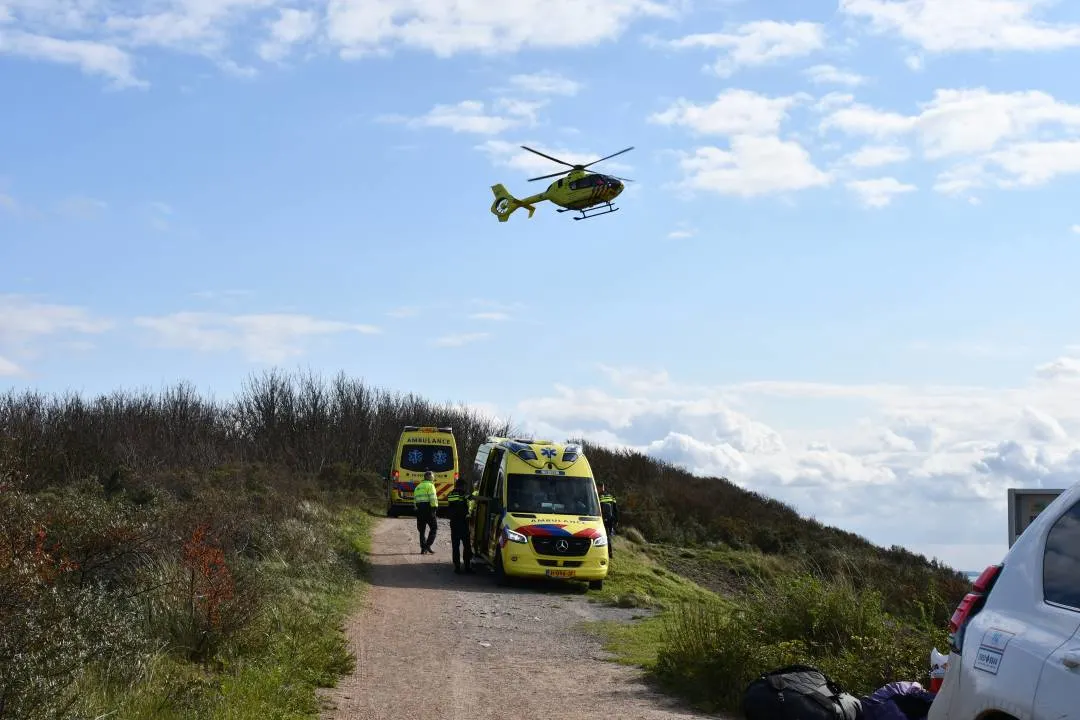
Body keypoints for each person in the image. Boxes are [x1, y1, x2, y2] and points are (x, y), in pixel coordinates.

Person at [446, 478, 473, 573]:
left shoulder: (451, 494)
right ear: (462, 486)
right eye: (465, 486)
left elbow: (453, 506)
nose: (466, 488)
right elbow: (471, 498)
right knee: (466, 545)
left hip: (454, 523)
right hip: (462, 522)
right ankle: (467, 566)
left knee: (455, 545)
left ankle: (457, 567)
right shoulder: (462, 494)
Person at [413, 470, 439, 554]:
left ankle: (423, 548)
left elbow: (415, 501)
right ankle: (428, 545)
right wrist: (434, 508)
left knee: (422, 531)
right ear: (430, 477)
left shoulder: (418, 487)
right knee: (434, 528)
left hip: (419, 510)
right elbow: (433, 498)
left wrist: (417, 510)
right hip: (428, 509)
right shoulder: (430, 486)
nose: (433, 478)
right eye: (433, 477)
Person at [598, 482, 619, 556]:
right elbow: (615, 509)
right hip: (611, 519)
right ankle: (608, 552)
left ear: (599, 488)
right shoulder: (611, 496)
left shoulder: (598, 496)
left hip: (603, 519)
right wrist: (616, 520)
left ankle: (608, 552)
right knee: (608, 535)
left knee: (605, 536)